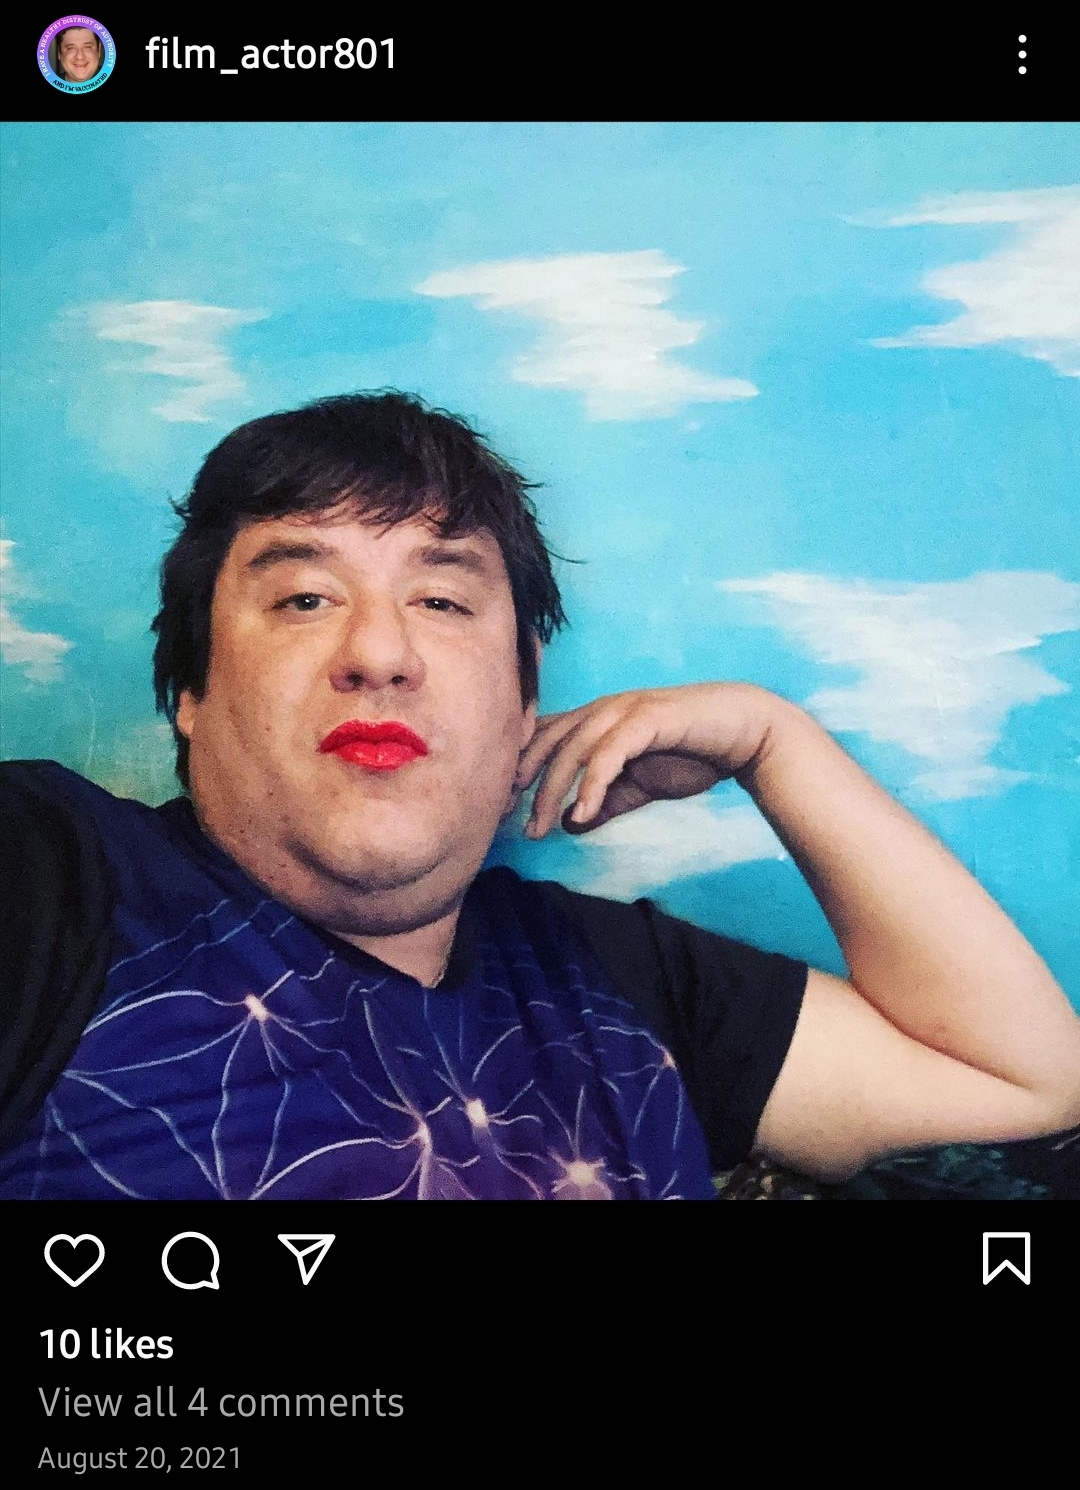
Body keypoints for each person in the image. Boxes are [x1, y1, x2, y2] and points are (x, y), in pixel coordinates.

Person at [2, 391, 1079, 1200]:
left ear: (525, 703)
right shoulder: (50, 873)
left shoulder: (618, 985)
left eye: (441, 599)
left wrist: (775, 742)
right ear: (191, 690)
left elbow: (1021, 1088)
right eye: (304, 597)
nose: (379, 652)